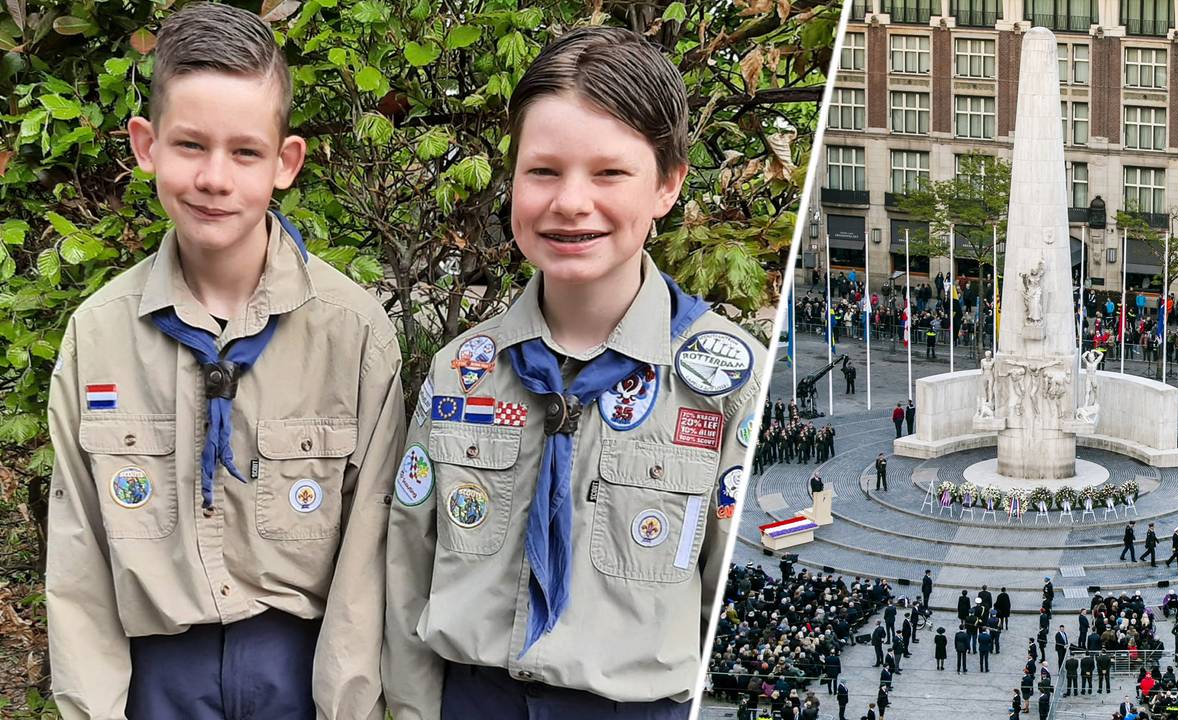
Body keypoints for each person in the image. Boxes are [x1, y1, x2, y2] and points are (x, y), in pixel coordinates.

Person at [383, 27, 764, 719]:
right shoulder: (461, 373)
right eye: (544, 170)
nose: (570, 202)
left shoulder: (730, 385)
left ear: (668, 184)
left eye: (610, 173)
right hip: (474, 700)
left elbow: (726, 593)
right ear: (514, 179)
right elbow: (409, 562)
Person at [45, 5, 403, 718]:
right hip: (156, 680)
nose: (214, 177)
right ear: (146, 145)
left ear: (285, 163)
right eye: (189, 145)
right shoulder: (99, 336)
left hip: (300, 674)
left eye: (244, 152)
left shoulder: (352, 333)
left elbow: (371, 554)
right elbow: (78, 555)